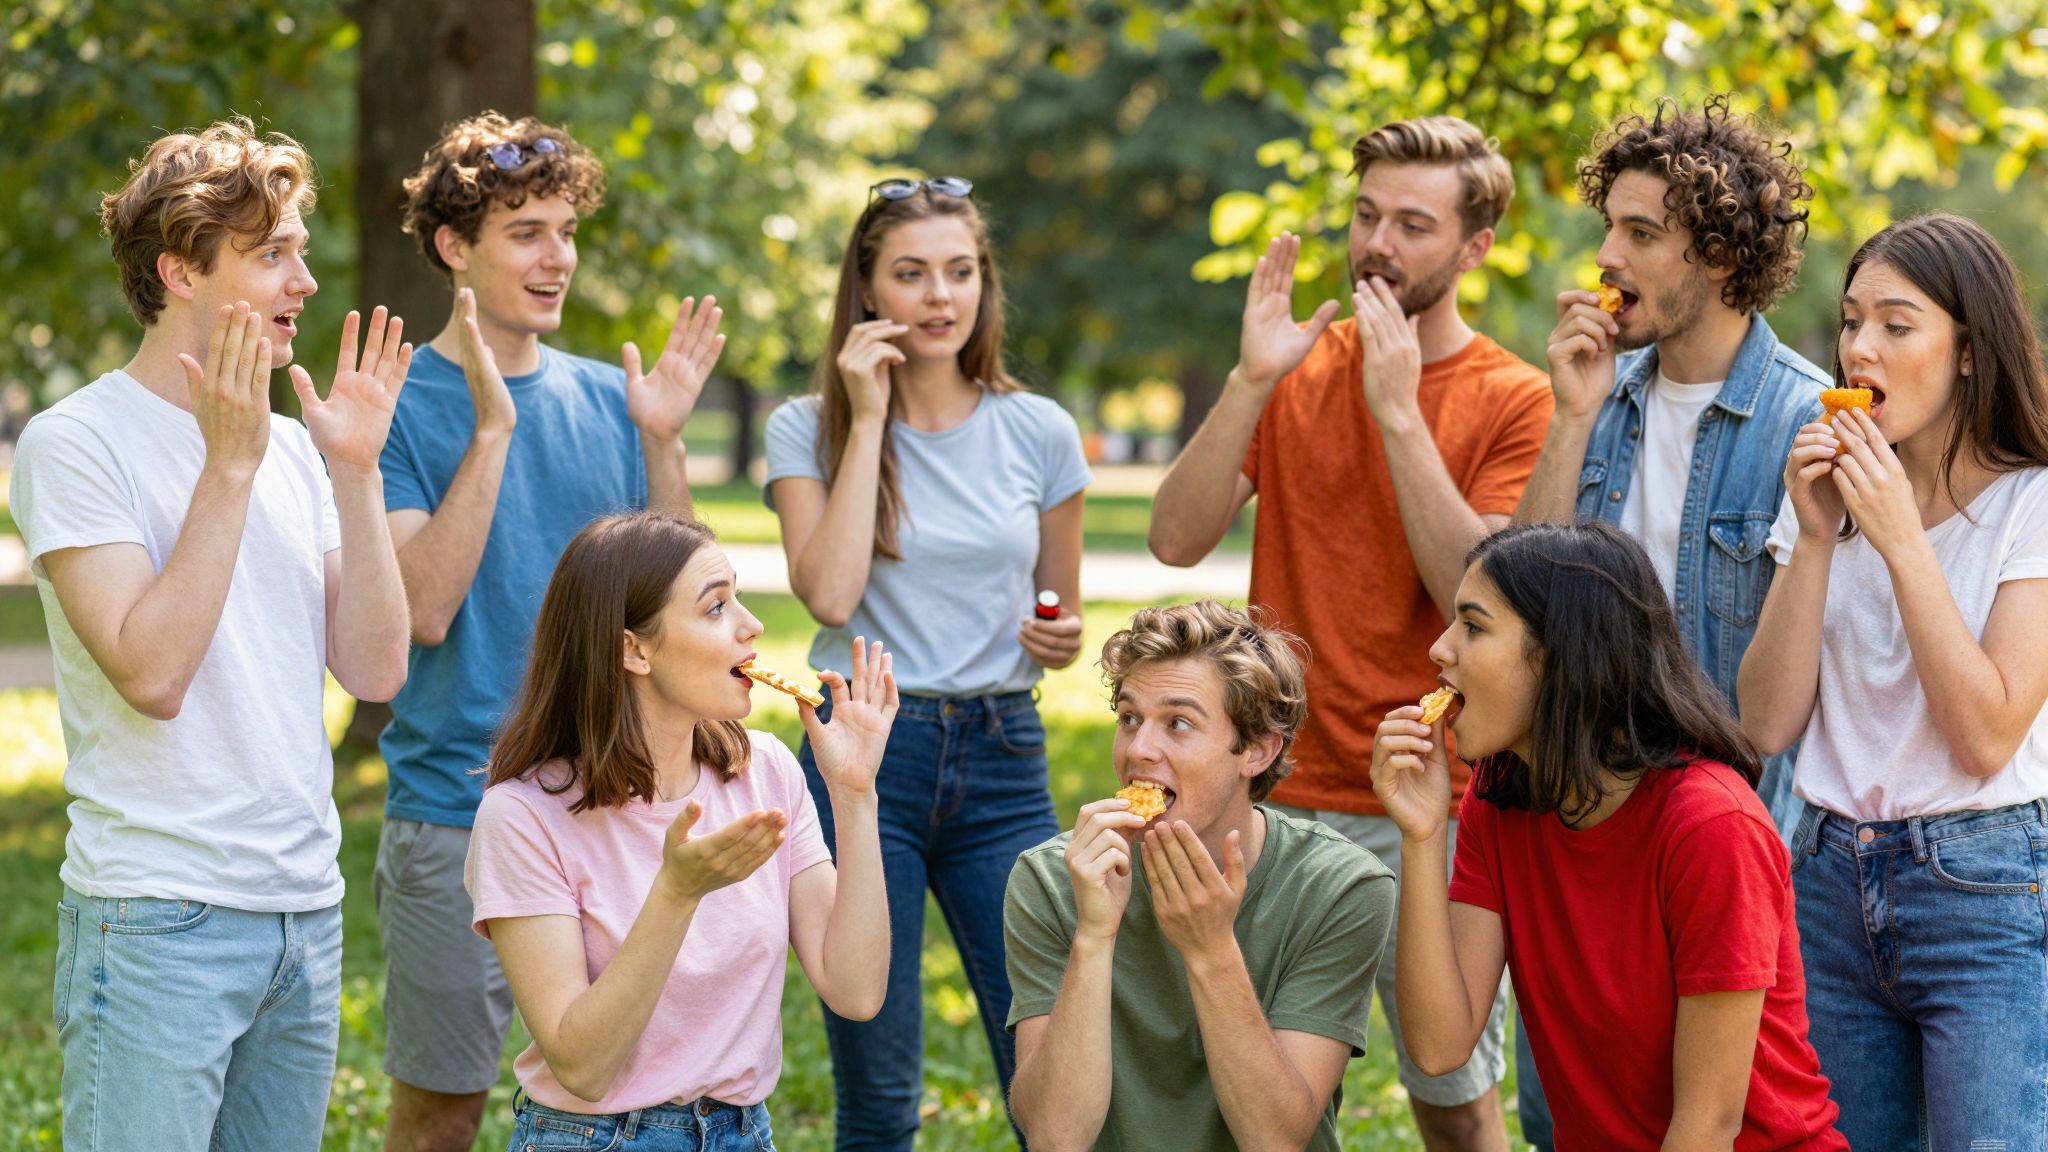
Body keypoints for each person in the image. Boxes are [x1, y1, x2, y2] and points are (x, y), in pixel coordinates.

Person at [1148, 116, 1549, 1150]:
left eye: (1412, 224)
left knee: (1452, 1100)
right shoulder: (1290, 369)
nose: (1377, 243)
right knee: (1251, 1096)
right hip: (1269, 793)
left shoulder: (1514, 399)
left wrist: (1397, 409)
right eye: (1366, 215)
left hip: (1428, 798)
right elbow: (1175, 535)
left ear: (1473, 248)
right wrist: (1247, 379)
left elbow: (1474, 585)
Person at [12, 119, 412, 1150]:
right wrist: (225, 467)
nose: (305, 283)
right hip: (156, 925)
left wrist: (358, 470)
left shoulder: (291, 447)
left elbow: (373, 667)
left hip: (302, 918)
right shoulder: (75, 443)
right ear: (179, 270)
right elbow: (151, 673)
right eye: (271, 254)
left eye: (302, 251)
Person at [375, 111, 727, 1152]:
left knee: (625, 1096)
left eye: (566, 231)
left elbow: (690, 602)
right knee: (442, 1110)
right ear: (454, 248)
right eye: (525, 231)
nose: (557, 257)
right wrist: (493, 431)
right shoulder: (391, 405)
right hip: (457, 811)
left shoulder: (608, 400)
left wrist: (660, 440)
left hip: (607, 806)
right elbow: (420, 611)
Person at [763, 176, 1090, 1150]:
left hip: (1001, 752)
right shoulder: (805, 427)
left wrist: (1057, 635)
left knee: (1049, 1060)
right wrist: (866, 419)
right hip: (865, 753)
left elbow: (1055, 604)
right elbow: (826, 594)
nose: (940, 297)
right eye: (910, 274)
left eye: (960, 272)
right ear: (866, 292)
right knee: (875, 1079)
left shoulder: (1039, 430)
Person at [1373, 521, 1846, 1150]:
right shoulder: (1501, 793)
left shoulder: (1712, 828)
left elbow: (1707, 1124)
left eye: (1474, 625)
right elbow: (1438, 1046)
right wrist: (1423, 836)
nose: (1440, 648)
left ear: (1563, 653)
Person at [1736, 213, 2048, 1150]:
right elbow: (1765, 720)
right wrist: (1818, 536)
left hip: (1983, 887)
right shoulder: (1831, 491)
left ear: (1966, 351)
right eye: (1850, 321)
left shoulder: (2029, 504)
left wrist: (1904, 539)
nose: (1859, 348)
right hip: (1828, 879)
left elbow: (1986, 735)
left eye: (1897, 325)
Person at [465, 511, 894, 1151]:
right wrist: (676, 892)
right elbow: (582, 1067)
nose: (752, 625)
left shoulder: (765, 770)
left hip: (744, 1133)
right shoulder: (523, 816)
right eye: (716, 607)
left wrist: (856, 795)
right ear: (632, 649)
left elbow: (856, 990)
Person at [1005, 600, 1395, 1151]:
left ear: (1257, 750)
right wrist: (1094, 935)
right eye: (1130, 718)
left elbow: (1274, 1139)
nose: (1139, 749)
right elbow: (1055, 1137)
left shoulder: (1339, 887)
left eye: (1178, 723)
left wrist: (1210, 949)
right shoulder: (1050, 878)